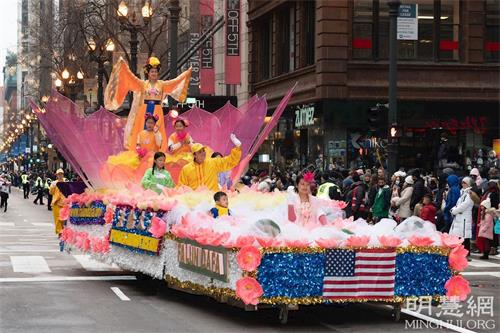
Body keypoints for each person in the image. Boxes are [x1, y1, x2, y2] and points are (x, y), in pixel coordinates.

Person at [105, 56, 191, 152]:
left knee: (157, 130)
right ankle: (141, 150)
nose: (154, 73)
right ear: (148, 73)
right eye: (152, 71)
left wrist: (185, 74)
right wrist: (124, 66)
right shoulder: (143, 84)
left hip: (157, 110)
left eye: (155, 71)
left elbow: (174, 82)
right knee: (142, 129)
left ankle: (158, 151)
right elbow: (131, 78)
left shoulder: (162, 84)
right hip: (144, 110)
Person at [450, 177, 475, 260]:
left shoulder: (469, 193)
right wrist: (454, 209)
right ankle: (460, 253)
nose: (462, 184)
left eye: (464, 182)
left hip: (465, 217)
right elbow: (458, 204)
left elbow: (465, 205)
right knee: (460, 236)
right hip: (460, 217)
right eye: (462, 182)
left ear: (468, 184)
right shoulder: (463, 193)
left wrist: (454, 211)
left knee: (465, 236)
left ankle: (466, 254)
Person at [49, 169, 67, 237]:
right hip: (56, 203)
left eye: (61, 174)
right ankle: (60, 232)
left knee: (64, 218)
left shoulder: (66, 181)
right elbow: (51, 192)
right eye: (59, 174)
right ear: (56, 175)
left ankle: (64, 231)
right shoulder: (54, 183)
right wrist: (53, 186)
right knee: (58, 218)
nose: (60, 175)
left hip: (65, 203)